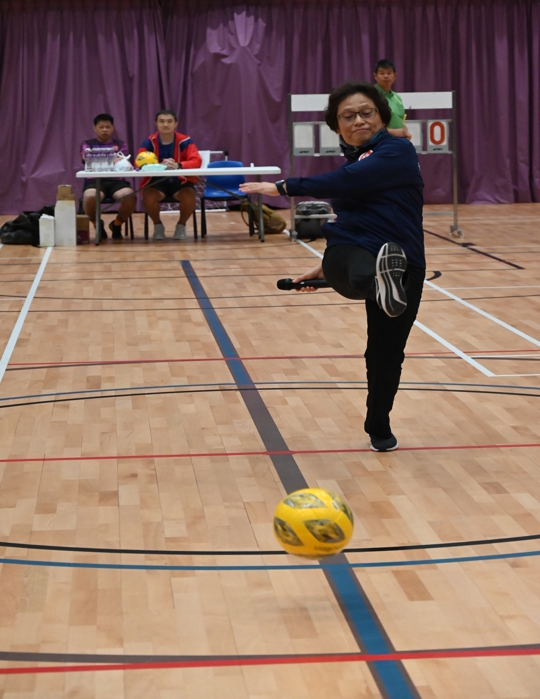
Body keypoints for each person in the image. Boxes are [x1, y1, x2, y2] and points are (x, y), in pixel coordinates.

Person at [240, 82, 425, 452]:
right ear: (337, 126)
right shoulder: (358, 158)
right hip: (355, 253)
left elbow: (347, 181)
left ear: (381, 116)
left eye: (366, 112)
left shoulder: (396, 150)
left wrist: (284, 186)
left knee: (385, 352)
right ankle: (378, 283)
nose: (359, 120)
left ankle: (378, 425)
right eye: (348, 116)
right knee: (354, 269)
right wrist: (324, 270)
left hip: (400, 258)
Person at [139, 110, 202, 241]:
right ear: (156, 123)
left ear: (176, 123)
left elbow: (197, 161)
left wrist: (178, 165)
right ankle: (157, 226)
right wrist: (160, 165)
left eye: (169, 121)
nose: (165, 124)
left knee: (189, 195)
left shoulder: (186, 141)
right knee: (148, 196)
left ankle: (181, 225)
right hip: (156, 182)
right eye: (162, 121)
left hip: (181, 182)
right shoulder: (148, 142)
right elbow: (140, 163)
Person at [80, 113, 136, 240]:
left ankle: (117, 224)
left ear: (112, 128)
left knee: (129, 196)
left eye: (107, 127)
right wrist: (112, 158)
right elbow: (86, 157)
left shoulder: (121, 144)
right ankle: (97, 224)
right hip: (94, 181)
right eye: (101, 127)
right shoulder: (87, 144)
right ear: (95, 128)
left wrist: (96, 157)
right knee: (89, 197)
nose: (104, 130)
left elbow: (122, 159)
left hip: (116, 181)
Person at [373, 59, 412, 140]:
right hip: (380, 143)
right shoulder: (370, 96)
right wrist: (393, 132)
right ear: (375, 76)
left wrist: (405, 132)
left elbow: (401, 120)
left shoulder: (397, 97)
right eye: (382, 73)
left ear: (395, 76)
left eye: (389, 73)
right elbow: (368, 125)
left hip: (398, 142)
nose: (386, 76)